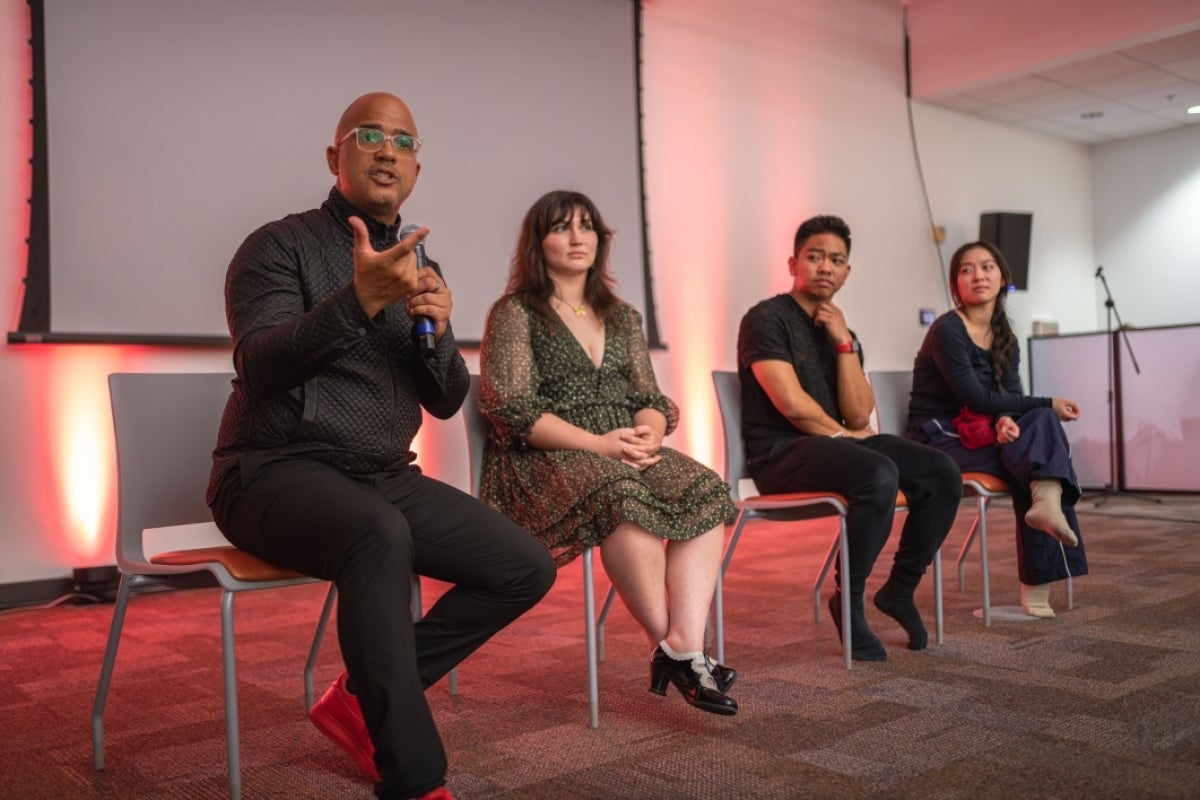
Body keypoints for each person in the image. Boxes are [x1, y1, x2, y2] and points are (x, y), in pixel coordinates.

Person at [206, 92, 556, 800]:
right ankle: (416, 778)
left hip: (379, 476)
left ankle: (362, 694)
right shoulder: (277, 245)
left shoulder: (421, 264)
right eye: (369, 135)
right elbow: (263, 366)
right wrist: (360, 300)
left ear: (416, 170)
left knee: (524, 566)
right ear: (336, 157)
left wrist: (440, 331)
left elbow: (447, 399)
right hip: (270, 470)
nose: (387, 149)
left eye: (402, 140)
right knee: (379, 535)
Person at [478, 189, 739, 715]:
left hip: (621, 447)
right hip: (545, 456)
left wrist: (648, 432)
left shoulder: (622, 317)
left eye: (587, 226)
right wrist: (600, 444)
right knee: (620, 493)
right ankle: (684, 655)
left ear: (600, 240)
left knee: (706, 488)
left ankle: (682, 647)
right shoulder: (515, 312)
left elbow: (649, 398)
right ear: (538, 241)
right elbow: (512, 408)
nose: (577, 237)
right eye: (561, 227)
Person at [737, 214, 962, 661]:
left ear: (847, 271)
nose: (825, 267)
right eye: (815, 256)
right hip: (780, 456)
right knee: (877, 472)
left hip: (838, 446)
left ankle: (899, 588)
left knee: (941, 473)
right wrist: (852, 437)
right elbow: (793, 406)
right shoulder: (766, 318)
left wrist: (844, 343)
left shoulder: (845, 329)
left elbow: (861, 411)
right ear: (793, 262)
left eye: (836, 259)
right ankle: (850, 600)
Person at [907, 240, 1087, 618]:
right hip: (938, 440)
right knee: (1036, 454)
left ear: (1003, 277)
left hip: (982, 430)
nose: (978, 276)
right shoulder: (947, 332)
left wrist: (1007, 420)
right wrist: (1043, 403)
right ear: (955, 283)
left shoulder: (1005, 334)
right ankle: (1038, 577)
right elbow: (976, 397)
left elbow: (1008, 396)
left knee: (1037, 430)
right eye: (966, 270)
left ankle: (1046, 504)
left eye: (987, 267)